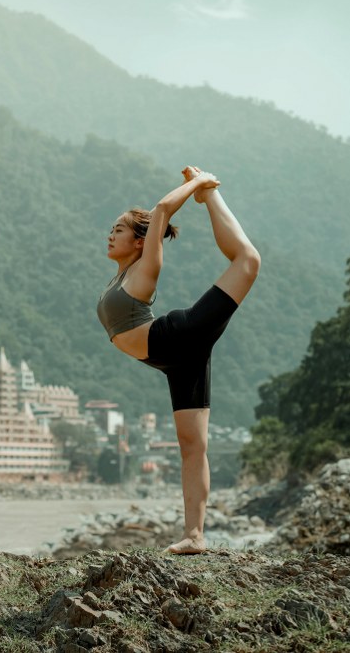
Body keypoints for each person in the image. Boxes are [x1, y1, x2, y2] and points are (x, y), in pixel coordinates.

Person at [96, 166, 260, 554]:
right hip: (175, 361)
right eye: (112, 229)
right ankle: (194, 536)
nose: (110, 234)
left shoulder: (145, 267)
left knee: (247, 261)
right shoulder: (119, 277)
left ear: (140, 241)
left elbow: (162, 210)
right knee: (192, 446)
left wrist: (199, 184)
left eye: (118, 229)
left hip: (178, 336)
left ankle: (211, 195)